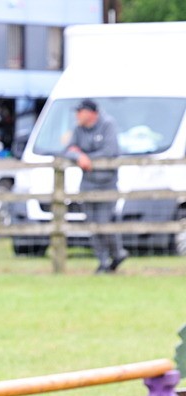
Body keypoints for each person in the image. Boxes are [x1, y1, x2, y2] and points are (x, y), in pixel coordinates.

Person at [65, 99, 128, 273]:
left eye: (80, 111)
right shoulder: (78, 130)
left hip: (106, 183)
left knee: (104, 222)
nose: (77, 115)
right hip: (87, 184)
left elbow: (110, 151)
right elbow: (68, 149)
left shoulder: (108, 125)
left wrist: (87, 158)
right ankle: (103, 261)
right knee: (92, 225)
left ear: (91, 113)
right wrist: (78, 157)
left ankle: (116, 254)